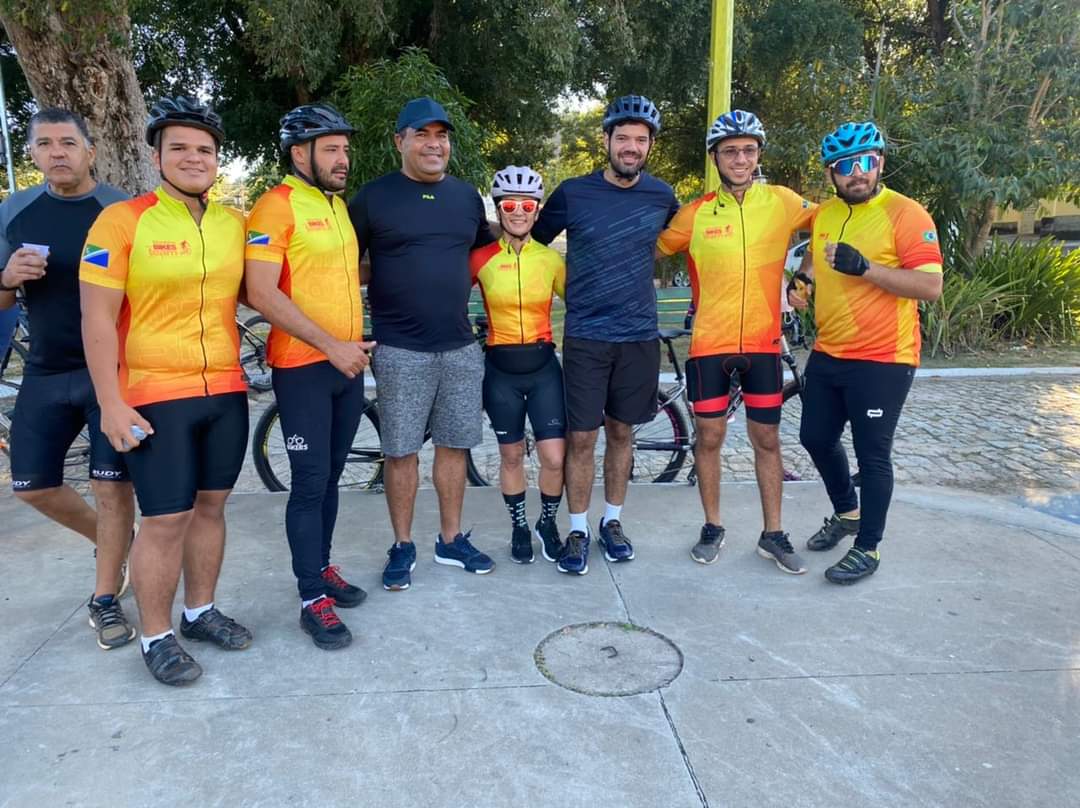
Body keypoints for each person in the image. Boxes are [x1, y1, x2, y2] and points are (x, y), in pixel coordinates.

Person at [80, 97, 253, 685]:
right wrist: (110, 401)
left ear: (217, 161)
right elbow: (97, 319)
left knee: (211, 507)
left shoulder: (233, 224)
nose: (193, 158)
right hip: (154, 393)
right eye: (179, 147)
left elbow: (268, 288)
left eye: (204, 149)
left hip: (225, 388)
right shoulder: (122, 221)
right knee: (165, 519)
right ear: (156, 156)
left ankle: (200, 611)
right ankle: (156, 635)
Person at [0, 107, 136, 650]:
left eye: (68, 142)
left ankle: (105, 599)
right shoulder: (16, 210)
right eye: (45, 144)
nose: (57, 152)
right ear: (32, 154)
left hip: (112, 371)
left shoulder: (121, 208)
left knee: (111, 486)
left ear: (89, 151)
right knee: (32, 487)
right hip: (46, 371)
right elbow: (3, 296)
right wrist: (7, 277)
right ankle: (112, 542)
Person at [657, 110, 816, 573]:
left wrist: (802, 280)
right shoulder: (696, 212)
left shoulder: (784, 202)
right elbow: (647, 248)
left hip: (764, 345)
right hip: (709, 344)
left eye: (748, 150)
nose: (740, 159)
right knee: (709, 437)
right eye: (730, 151)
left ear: (758, 153)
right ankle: (712, 525)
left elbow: (831, 226)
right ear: (715, 158)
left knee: (766, 439)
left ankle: (773, 534)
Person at [347, 96, 496, 591]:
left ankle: (450, 540)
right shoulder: (373, 197)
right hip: (400, 348)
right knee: (401, 450)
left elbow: (477, 256)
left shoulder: (466, 197)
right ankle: (403, 544)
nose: (435, 145)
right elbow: (347, 263)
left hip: (458, 347)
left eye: (442, 136)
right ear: (400, 142)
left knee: (455, 447)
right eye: (423, 135)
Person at [530, 94, 679, 575]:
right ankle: (577, 529)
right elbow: (527, 240)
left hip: (638, 335)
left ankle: (611, 522)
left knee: (621, 432)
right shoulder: (573, 193)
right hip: (586, 336)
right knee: (581, 438)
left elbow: (687, 244)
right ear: (607, 141)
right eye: (623, 138)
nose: (631, 147)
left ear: (649, 146)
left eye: (641, 139)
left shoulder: (662, 195)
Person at [790, 121, 943, 584]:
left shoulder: (906, 214)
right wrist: (805, 281)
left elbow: (931, 286)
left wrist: (867, 268)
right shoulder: (825, 214)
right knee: (815, 438)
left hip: (884, 357)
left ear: (879, 162)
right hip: (830, 351)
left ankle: (868, 547)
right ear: (831, 174)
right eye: (843, 167)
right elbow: (815, 254)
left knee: (872, 454)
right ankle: (847, 513)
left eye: (864, 162)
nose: (855, 173)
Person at [245, 103, 372, 650]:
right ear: (300, 153)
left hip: (345, 364)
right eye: (332, 149)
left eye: (345, 148)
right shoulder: (275, 208)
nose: (343, 158)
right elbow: (261, 292)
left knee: (333, 474)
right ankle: (308, 597)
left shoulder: (336, 206)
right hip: (303, 367)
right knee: (309, 483)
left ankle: (321, 570)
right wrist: (331, 345)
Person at [470, 166, 567, 565]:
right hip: (501, 370)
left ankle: (547, 522)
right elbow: (443, 295)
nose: (518, 211)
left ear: (537, 210)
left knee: (554, 458)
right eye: (509, 204)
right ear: (498, 208)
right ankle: (519, 527)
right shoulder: (481, 259)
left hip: (544, 367)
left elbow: (582, 305)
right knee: (511, 457)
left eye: (527, 205)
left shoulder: (550, 260)